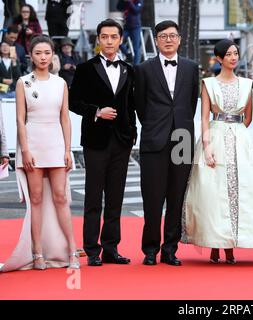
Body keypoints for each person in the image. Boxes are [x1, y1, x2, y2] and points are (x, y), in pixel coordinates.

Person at [182, 40, 253, 264]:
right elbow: (204, 118)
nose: (233, 57)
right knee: (213, 193)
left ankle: (233, 243)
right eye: (228, 54)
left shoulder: (247, 84)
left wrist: (236, 135)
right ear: (219, 58)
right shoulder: (208, 83)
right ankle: (215, 244)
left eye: (236, 53)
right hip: (215, 137)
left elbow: (248, 118)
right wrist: (207, 147)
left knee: (242, 190)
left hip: (240, 140)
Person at [1, 35, 79, 272]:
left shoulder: (60, 83)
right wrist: (24, 150)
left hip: (56, 145)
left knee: (60, 198)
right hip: (33, 145)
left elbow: (65, 118)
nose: (43, 57)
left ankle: (72, 250)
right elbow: (20, 120)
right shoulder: (23, 82)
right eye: (38, 53)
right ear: (31, 56)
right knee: (35, 201)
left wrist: (68, 149)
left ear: (52, 54)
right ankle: (37, 253)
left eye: (47, 53)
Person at [69, 19, 137, 267]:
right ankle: (92, 249)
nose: (109, 41)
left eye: (113, 37)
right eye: (104, 36)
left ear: (120, 39)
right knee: (93, 198)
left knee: (116, 198)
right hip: (95, 141)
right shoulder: (85, 68)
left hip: (122, 141)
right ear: (98, 39)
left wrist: (132, 133)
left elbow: (131, 105)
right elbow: (73, 102)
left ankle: (111, 248)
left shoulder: (130, 69)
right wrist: (97, 111)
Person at [135, 20, 199, 267]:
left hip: (182, 138)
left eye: (173, 36)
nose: (169, 40)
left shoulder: (191, 68)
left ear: (180, 39)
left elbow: (191, 103)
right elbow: (140, 104)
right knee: (152, 198)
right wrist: (154, 125)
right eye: (163, 36)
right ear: (157, 40)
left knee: (176, 197)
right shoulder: (143, 69)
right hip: (154, 139)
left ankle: (170, 250)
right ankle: (150, 249)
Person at [117, 0, 143, 65]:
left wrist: (129, 2)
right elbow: (119, 7)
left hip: (136, 27)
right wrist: (122, 1)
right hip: (126, 27)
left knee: (136, 47)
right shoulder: (126, 2)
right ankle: (128, 54)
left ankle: (136, 66)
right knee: (118, 40)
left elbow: (136, 10)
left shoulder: (139, 1)